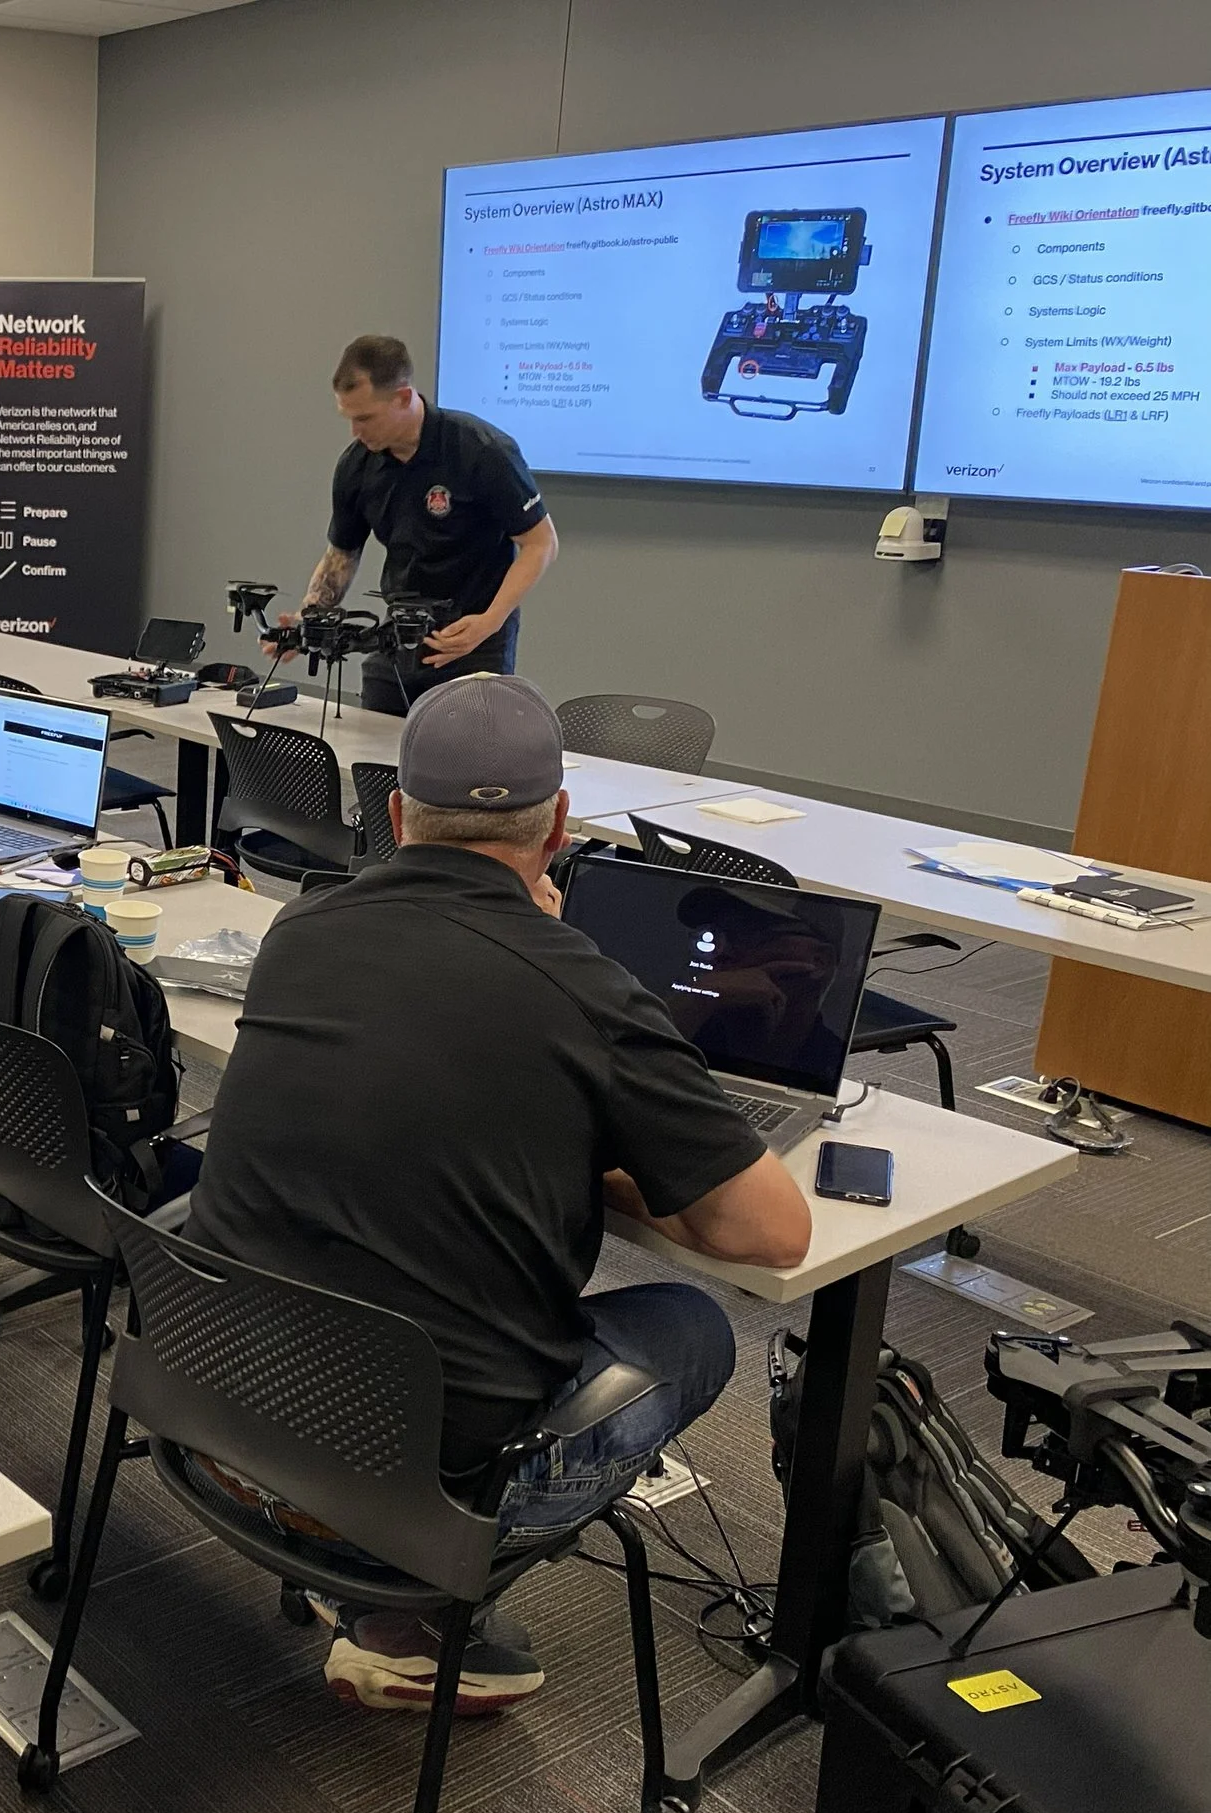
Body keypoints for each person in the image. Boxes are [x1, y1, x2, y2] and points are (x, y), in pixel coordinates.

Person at [184, 674, 810, 1715]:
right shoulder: (585, 986)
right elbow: (768, 1229)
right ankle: (411, 1603)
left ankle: (384, 1600)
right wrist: (606, 1151)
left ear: (393, 813)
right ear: (559, 826)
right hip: (390, 1497)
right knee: (692, 1328)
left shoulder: (299, 932)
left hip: (216, 1417)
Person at [279, 334, 559, 715]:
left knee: (463, 768)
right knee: (378, 761)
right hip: (397, 640)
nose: (356, 432)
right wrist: (308, 621)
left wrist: (490, 621)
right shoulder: (356, 466)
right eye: (349, 419)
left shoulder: (481, 449)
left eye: (365, 418)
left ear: (404, 398)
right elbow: (342, 554)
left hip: (470, 642)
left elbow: (540, 543)